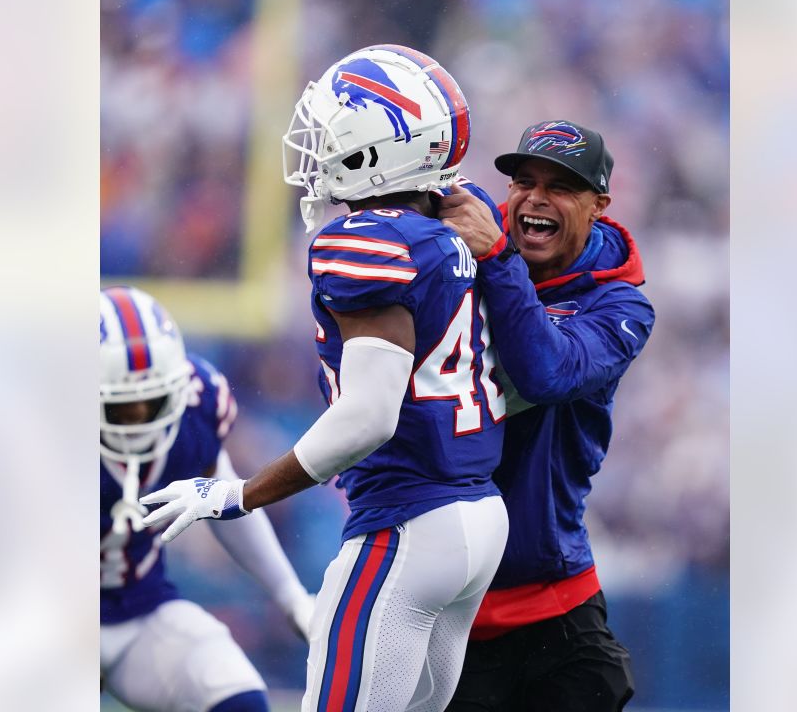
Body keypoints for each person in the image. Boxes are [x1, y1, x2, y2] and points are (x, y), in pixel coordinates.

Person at [140, 45, 509, 712]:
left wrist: (243, 493)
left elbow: (369, 417)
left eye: (336, 129)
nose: (319, 147)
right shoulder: (453, 231)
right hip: (478, 514)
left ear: (379, 149)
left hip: (408, 524)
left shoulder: (365, 241)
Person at [436, 121, 655, 711]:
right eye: (524, 181)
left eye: (560, 186)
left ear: (599, 204)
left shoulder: (620, 305)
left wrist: (500, 260)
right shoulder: (459, 253)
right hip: (440, 596)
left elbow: (546, 372)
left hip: (551, 603)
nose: (535, 198)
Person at [99, 285, 315, 712]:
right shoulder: (29, 427)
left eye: (152, 402)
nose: (137, 421)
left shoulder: (197, 409)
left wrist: (291, 596)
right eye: (120, 409)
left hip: (137, 610)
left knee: (236, 695)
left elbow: (222, 500)